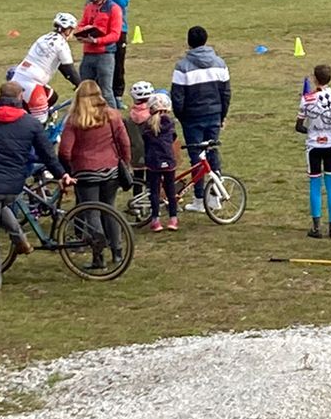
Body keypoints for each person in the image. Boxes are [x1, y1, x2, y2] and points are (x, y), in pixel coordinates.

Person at [0, 80, 68, 292]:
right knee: (2, 204)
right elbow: (47, 154)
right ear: (20, 98)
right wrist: (62, 174)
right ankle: (20, 239)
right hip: (14, 182)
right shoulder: (30, 123)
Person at [57, 79, 132, 268]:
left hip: (85, 170)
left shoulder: (75, 119)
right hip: (111, 169)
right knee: (110, 209)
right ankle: (117, 252)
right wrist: (125, 161)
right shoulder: (112, 116)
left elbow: (65, 151)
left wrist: (68, 169)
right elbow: (124, 142)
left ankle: (98, 258)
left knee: (92, 213)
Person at [169, 26, 232, 211]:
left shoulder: (182, 66)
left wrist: (181, 116)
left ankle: (198, 198)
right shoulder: (219, 63)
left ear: (189, 42)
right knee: (212, 154)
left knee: (196, 158)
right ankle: (215, 196)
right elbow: (226, 92)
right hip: (213, 114)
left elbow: (177, 96)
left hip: (192, 117)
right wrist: (223, 114)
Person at [297, 64, 331, 239]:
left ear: (314, 78)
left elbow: (299, 126)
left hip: (313, 146)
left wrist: (313, 132)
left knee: (314, 184)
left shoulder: (307, 99)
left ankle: (316, 227)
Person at [12, 13, 81, 116]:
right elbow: (69, 69)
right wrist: (81, 85)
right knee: (40, 121)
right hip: (33, 83)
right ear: (68, 29)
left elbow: (61, 66)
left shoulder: (44, 37)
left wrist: (76, 82)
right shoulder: (62, 45)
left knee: (52, 96)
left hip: (18, 77)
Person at [74, 0, 124, 106]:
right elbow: (82, 24)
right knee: (85, 90)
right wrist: (82, 31)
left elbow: (115, 34)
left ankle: (114, 120)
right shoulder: (89, 7)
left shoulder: (114, 9)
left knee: (106, 91)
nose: (94, 0)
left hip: (105, 54)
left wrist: (97, 40)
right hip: (88, 53)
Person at [141, 91, 181, 232]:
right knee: (170, 190)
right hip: (168, 160)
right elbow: (173, 138)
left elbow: (144, 140)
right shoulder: (170, 124)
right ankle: (173, 219)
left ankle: (155, 220)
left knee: (155, 191)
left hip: (153, 162)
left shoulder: (147, 125)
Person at [102, 0, 132, 101]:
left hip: (120, 29)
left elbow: (122, 3)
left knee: (119, 63)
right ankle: (103, 93)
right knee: (103, 63)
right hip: (103, 30)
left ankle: (118, 95)